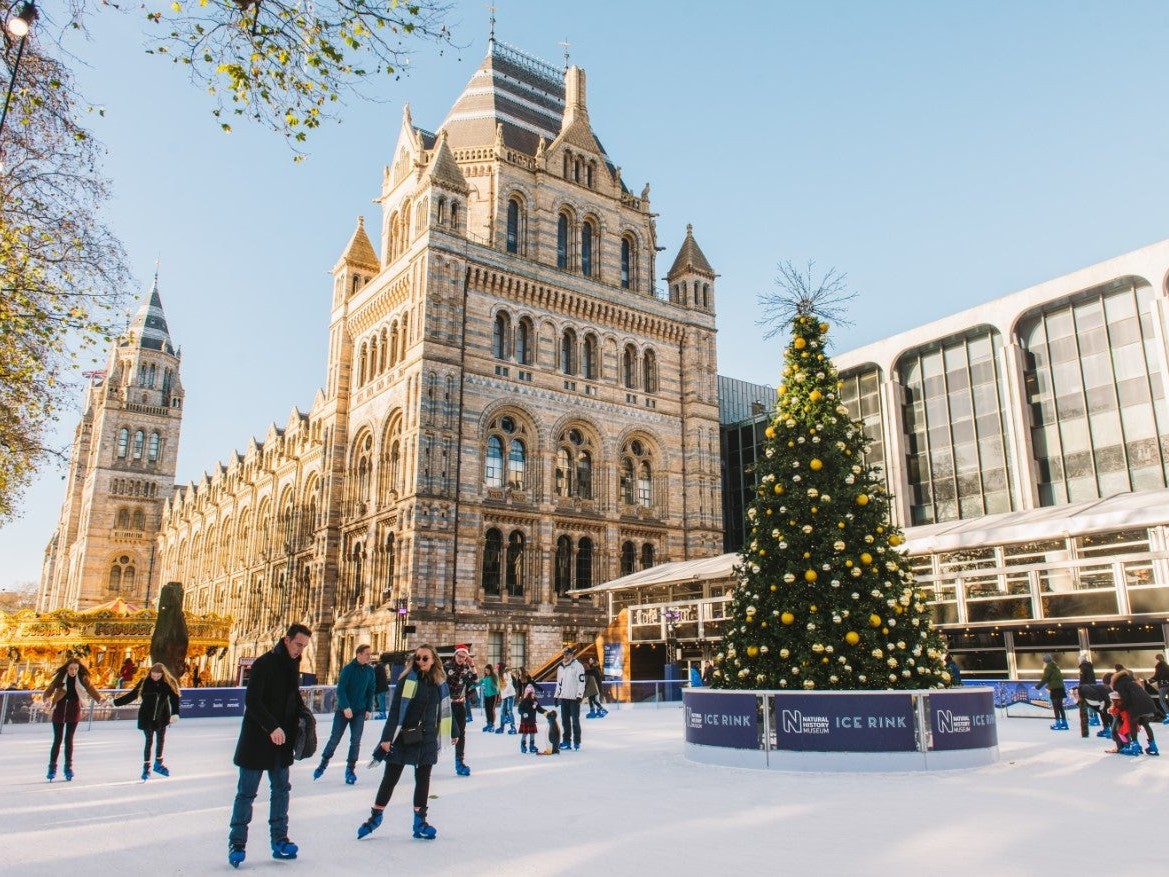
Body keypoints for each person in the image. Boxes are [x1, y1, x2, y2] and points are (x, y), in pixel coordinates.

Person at [227, 623, 312, 869]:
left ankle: (280, 839)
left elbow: (291, 697)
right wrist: (272, 726)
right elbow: (252, 701)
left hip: (281, 741)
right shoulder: (264, 663)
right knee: (246, 793)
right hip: (258, 739)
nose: (300, 650)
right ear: (286, 640)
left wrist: (303, 715)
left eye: (304, 646)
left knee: (281, 790)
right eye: (298, 644)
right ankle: (237, 843)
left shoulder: (293, 665)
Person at [356, 643, 451, 841]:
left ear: (433, 660)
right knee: (390, 778)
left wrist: (454, 731)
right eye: (418, 658)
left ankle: (420, 822)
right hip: (402, 736)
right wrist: (386, 738)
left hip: (427, 737)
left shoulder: (439, 683)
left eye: (425, 658)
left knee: (423, 779)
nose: (421, 661)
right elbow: (396, 711)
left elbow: (445, 709)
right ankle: (375, 816)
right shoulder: (407, 679)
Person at [314, 643, 375, 784]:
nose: (369, 657)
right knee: (335, 738)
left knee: (356, 741)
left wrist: (368, 709)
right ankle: (324, 762)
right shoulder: (348, 669)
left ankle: (350, 769)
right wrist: (346, 707)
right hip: (343, 711)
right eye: (367, 654)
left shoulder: (370, 671)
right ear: (359, 654)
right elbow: (341, 689)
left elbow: (371, 691)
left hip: (359, 711)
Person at [113, 661, 181, 781]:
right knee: (148, 741)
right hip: (146, 717)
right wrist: (116, 702)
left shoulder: (167, 684)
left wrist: (175, 713)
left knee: (160, 739)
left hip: (162, 716)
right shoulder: (145, 682)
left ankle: (158, 763)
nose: (155, 678)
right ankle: (146, 767)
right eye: (153, 675)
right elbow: (132, 695)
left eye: (157, 676)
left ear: (162, 675)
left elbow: (175, 698)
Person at [43, 658, 106, 781]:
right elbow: (48, 691)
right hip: (60, 709)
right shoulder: (60, 678)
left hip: (73, 709)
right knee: (57, 739)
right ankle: (52, 767)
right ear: (67, 668)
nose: (73, 671)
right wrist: (47, 700)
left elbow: (91, 689)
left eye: (76, 669)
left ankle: (68, 767)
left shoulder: (82, 678)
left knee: (69, 739)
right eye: (71, 669)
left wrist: (100, 699)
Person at [443, 646, 477, 776]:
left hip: (460, 705)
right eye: (459, 656)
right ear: (455, 655)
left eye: (464, 657)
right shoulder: (447, 667)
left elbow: (475, 680)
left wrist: (472, 665)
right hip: (447, 705)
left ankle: (459, 762)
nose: (461, 659)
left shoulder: (467, 669)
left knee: (461, 734)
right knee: (448, 732)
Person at [1111, 665, 1159, 756]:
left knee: (1132, 724)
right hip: (1148, 703)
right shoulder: (1132, 682)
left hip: (1136, 705)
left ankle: (1135, 746)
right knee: (1146, 724)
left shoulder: (1119, 684)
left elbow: (1126, 698)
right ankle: (1153, 746)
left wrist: (1120, 708)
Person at [554, 647, 585, 751]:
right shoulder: (560, 667)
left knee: (575, 721)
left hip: (574, 698)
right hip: (564, 698)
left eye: (567, 654)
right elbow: (559, 683)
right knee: (565, 721)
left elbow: (581, 682)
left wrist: (579, 695)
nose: (565, 656)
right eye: (564, 654)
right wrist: (556, 695)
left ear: (572, 655)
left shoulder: (578, 666)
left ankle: (577, 741)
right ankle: (566, 741)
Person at [1036, 654, 1068, 731]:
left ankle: (1058, 724)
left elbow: (1045, 679)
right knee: (1060, 707)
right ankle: (1064, 723)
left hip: (1054, 689)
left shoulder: (1048, 668)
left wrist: (1038, 687)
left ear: (1045, 661)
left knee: (1056, 707)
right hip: (1061, 688)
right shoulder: (1056, 667)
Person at [1149, 653, 1169, 724]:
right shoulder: (1167, 665)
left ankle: (1168, 715)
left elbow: (1157, 676)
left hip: (1163, 685)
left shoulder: (1158, 666)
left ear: (1157, 659)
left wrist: (1151, 679)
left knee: (1162, 700)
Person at [496, 666, 517, 734]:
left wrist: (505, 691)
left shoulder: (506, 674)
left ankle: (513, 728)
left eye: (498, 668)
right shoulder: (500, 675)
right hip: (504, 695)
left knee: (509, 710)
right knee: (502, 711)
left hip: (509, 695)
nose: (497, 670)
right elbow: (500, 686)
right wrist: (500, 694)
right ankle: (502, 727)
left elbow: (508, 684)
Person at [480, 663, 499, 732]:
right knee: (487, 710)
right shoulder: (485, 677)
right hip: (486, 696)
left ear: (490, 670)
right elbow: (479, 682)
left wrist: (495, 687)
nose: (486, 671)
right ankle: (488, 723)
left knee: (491, 710)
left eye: (487, 670)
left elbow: (497, 686)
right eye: (485, 670)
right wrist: (472, 687)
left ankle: (492, 725)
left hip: (493, 696)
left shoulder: (494, 677)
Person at [374, 652, 392, 720]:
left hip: (381, 688)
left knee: (381, 701)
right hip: (383, 688)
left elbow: (374, 677)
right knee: (382, 701)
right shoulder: (381, 667)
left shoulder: (378, 667)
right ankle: (382, 714)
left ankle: (382, 714)